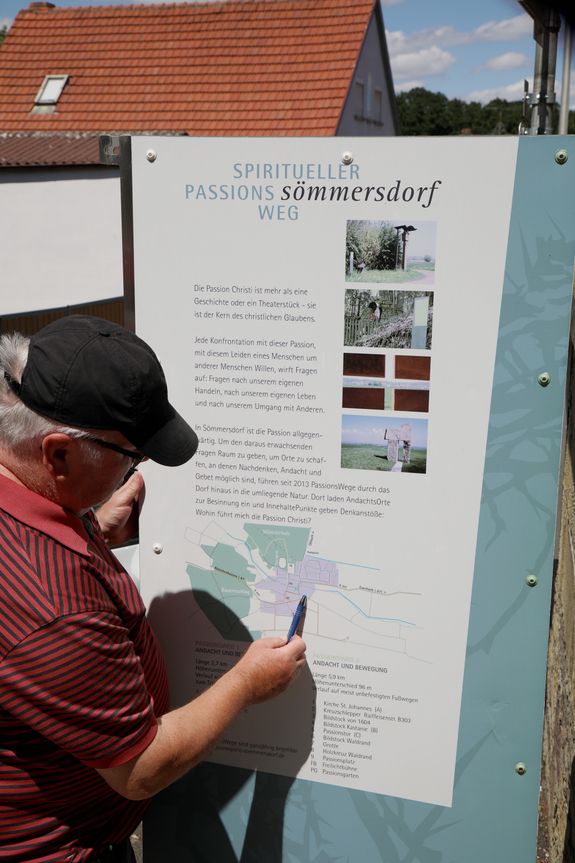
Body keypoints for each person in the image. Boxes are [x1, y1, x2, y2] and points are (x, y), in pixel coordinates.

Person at [0, 315, 306, 863]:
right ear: (57, 455)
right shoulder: (53, 605)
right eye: (130, 459)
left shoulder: (25, 495)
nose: (137, 473)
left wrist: (90, 525)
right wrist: (245, 686)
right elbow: (138, 768)